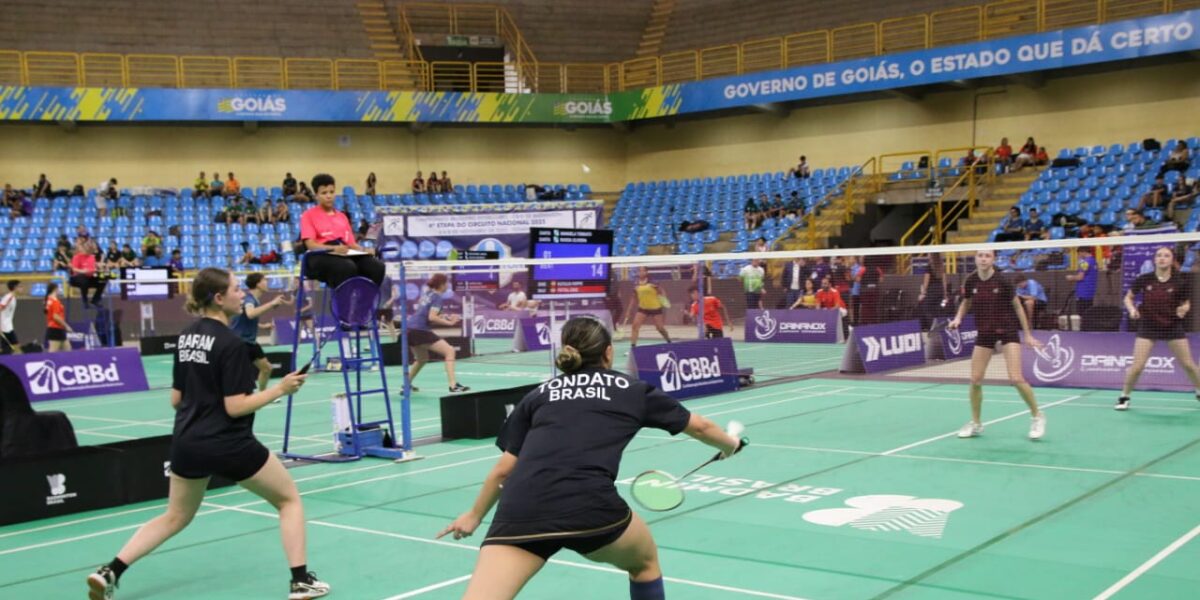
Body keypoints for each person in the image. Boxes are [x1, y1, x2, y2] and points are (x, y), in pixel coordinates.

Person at [437, 316, 744, 600]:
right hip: (589, 507)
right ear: (608, 353)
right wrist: (729, 445)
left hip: (522, 511)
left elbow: (504, 471)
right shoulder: (632, 389)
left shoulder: (538, 395)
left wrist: (474, 515)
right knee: (645, 563)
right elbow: (701, 427)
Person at [86, 268, 329, 600]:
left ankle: (110, 570)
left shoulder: (185, 337)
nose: (241, 293)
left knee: (176, 516)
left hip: (187, 440)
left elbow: (176, 399)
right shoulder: (232, 344)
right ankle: (300, 581)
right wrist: (281, 389)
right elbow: (235, 407)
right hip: (229, 443)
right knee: (289, 501)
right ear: (218, 298)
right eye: (235, 289)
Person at [949, 249, 1046, 440]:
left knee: (1016, 378)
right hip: (985, 331)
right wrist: (958, 318)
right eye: (980, 255)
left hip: (1007, 329)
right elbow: (966, 302)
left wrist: (1027, 335)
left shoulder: (1002, 281)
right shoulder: (971, 280)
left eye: (987, 256)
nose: (983, 259)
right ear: (975, 259)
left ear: (993, 260)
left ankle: (1037, 416)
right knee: (975, 379)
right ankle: (976, 423)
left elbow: (1018, 306)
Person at [1116, 246, 1200, 410]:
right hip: (1148, 326)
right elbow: (1128, 298)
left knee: (1189, 365)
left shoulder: (1179, 281)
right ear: (1154, 259)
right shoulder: (1144, 279)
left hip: (1172, 326)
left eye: (1166, 256)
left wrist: (1184, 309)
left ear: (1171, 260)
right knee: (1137, 366)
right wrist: (1132, 309)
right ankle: (1124, 396)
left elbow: (1186, 303)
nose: (1162, 258)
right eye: (1159, 255)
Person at [299, 173, 386, 289]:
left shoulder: (342, 216)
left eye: (331, 192)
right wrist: (334, 249)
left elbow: (351, 244)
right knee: (347, 267)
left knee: (377, 266)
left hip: (343, 253)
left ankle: (364, 303)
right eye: (324, 193)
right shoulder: (308, 215)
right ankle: (343, 305)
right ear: (316, 196)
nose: (329, 196)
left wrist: (365, 250)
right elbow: (311, 245)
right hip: (319, 255)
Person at [406, 273, 469, 394]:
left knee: (422, 359)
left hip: (409, 330)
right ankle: (453, 385)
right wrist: (449, 324)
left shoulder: (428, 294)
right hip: (420, 330)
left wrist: (447, 317)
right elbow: (432, 317)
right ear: (441, 285)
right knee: (450, 351)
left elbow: (426, 313)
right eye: (446, 283)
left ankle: (406, 384)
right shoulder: (438, 297)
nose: (447, 285)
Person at [231, 273, 293, 392]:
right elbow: (250, 314)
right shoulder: (249, 299)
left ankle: (263, 394)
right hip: (240, 343)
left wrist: (262, 325)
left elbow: (244, 318)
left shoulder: (254, 300)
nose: (267, 282)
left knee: (266, 368)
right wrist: (271, 304)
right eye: (264, 280)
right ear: (258, 284)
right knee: (238, 374)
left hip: (250, 342)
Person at [624, 267, 672, 349]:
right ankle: (633, 347)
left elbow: (662, 291)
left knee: (660, 328)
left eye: (643, 271)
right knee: (635, 326)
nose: (641, 272)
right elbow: (633, 298)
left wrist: (664, 299)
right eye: (639, 271)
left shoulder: (653, 282)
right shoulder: (636, 283)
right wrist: (628, 310)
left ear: (646, 272)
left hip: (655, 308)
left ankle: (669, 341)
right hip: (643, 308)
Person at [917, 253, 949, 330]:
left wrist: (922, 294)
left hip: (931, 292)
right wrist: (945, 295)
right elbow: (944, 282)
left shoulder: (928, 267)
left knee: (926, 309)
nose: (928, 255)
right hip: (940, 291)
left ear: (931, 256)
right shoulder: (941, 267)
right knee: (938, 309)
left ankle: (932, 327)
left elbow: (926, 283)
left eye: (929, 254)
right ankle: (939, 325)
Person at [70, 240, 105, 307]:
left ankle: (95, 300)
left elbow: (92, 269)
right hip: (77, 277)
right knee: (83, 280)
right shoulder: (76, 257)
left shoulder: (92, 257)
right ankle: (85, 300)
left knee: (102, 280)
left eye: (88, 248)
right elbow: (74, 269)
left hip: (89, 276)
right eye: (85, 248)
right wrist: (83, 271)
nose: (86, 250)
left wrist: (97, 269)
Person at [1065, 246, 1098, 316]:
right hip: (1090, 291)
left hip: (1083, 292)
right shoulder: (1094, 260)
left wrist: (1071, 277)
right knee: (1088, 313)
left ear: (1083, 252)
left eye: (1079, 254)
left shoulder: (1085, 262)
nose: (1078, 256)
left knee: (1082, 314)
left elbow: (1080, 277)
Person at [44, 283, 71, 352]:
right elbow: (55, 316)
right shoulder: (55, 301)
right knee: (52, 352)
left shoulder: (48, 300)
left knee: (68, 350)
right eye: (58, 288)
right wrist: (66, 326)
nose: (59, 290)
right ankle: (47, 362)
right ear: (55, 289)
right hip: (55, 329)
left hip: (58, 329)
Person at [0, 280, 20, 354]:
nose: (22, 288)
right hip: (5, 328)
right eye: (20, 286)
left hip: (8, 327)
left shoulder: (13, 297)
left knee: (6, 350)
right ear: (15, 287)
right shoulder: (9, 297)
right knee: (17, 349)